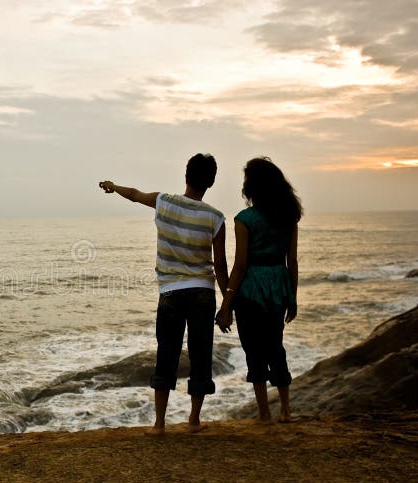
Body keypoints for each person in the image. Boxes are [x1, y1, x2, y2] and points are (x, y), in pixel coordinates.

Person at [99, 153, 228, 434]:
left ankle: (159, 424)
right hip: (203, 292)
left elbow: (134, 194)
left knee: (167, 353)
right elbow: (220, 265)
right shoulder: (215, 218)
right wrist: (228, 302)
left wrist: (113, 185)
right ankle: (193, 420)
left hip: (171, 292)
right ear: (211, 182)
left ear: (186, 176)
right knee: (201, 354)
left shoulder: (165, 202)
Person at [215, 157, 302, 423]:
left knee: (254, 350)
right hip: (277, 286)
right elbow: (292, 261)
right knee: (276, 346)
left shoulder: (245, 219)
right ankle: (286, 410)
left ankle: (264, 413)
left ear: (251, 186)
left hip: (251, 288)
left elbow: (240, 265)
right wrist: (292, 297)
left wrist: (226, 303)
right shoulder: (289, 216)